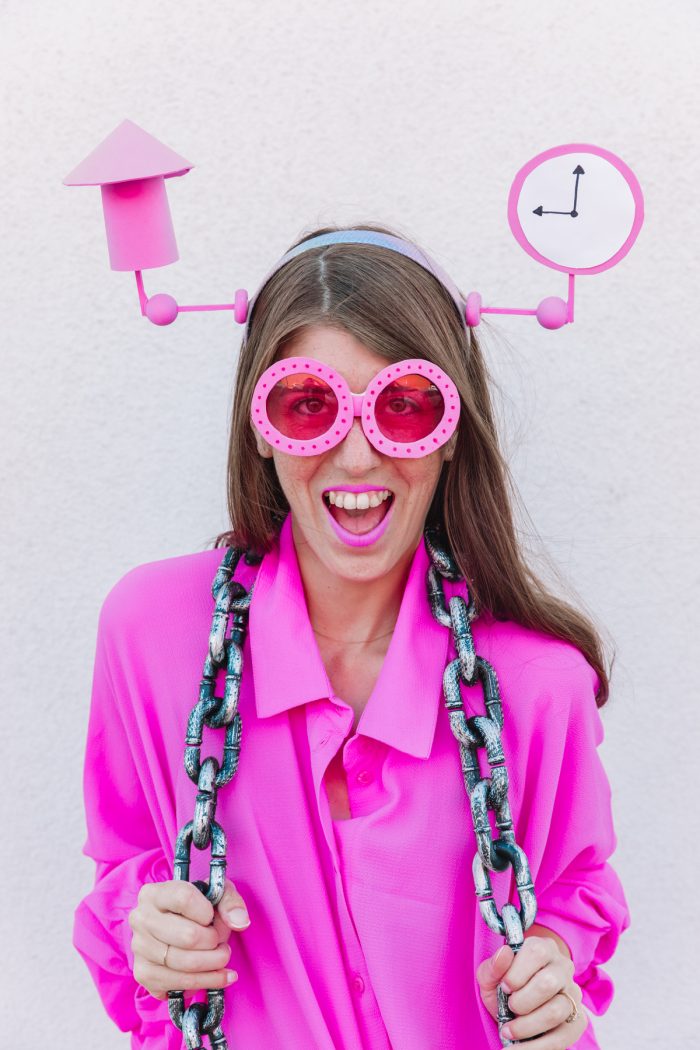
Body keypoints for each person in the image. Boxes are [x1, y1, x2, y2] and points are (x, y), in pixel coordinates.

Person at [73, 223, 631, 1050]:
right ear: (260, 429)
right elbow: (123, 869)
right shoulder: (152, 634)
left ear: (452, 436)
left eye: (404, 408)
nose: (360, 454)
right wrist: (145, 925)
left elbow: (579, 890)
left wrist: (553, 964)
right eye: (310, 405)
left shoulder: (538, 685)